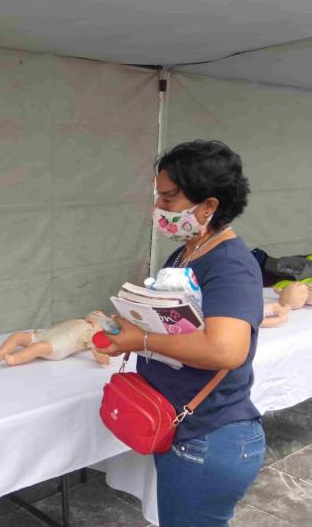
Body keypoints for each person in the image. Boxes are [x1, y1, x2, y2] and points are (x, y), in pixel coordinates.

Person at [95, 140, 265, 526]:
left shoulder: (230, 264)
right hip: (187, 429)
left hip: (209, 435)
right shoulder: (188, 253)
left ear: (209, 206)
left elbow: (225, 350)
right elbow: (176, 326)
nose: (158, 208)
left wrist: (142, 341)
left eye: (169, 198)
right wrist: (131, 325)